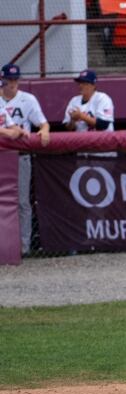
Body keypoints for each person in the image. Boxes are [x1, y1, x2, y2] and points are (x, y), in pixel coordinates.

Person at [0, 63, 50, 257]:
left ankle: (24, 247)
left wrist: (44, 131)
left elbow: (43, 123)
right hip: (2, 154)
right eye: (9, 80)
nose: (13, 83)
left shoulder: (27, 99)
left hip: (20, 156)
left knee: (21, 202)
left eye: (15, 79)